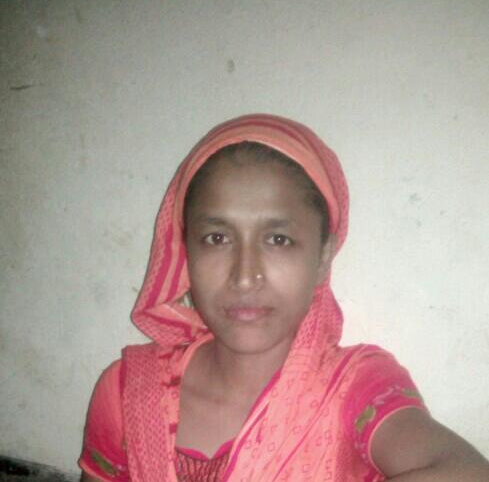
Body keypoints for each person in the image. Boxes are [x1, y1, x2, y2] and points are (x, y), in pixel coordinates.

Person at [79, 114, 489, 482]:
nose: (244, 277)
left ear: (322, 257)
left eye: (278, 239)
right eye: (217, 238)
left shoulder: (354, 388)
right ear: (187, 251)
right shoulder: (129, 393)